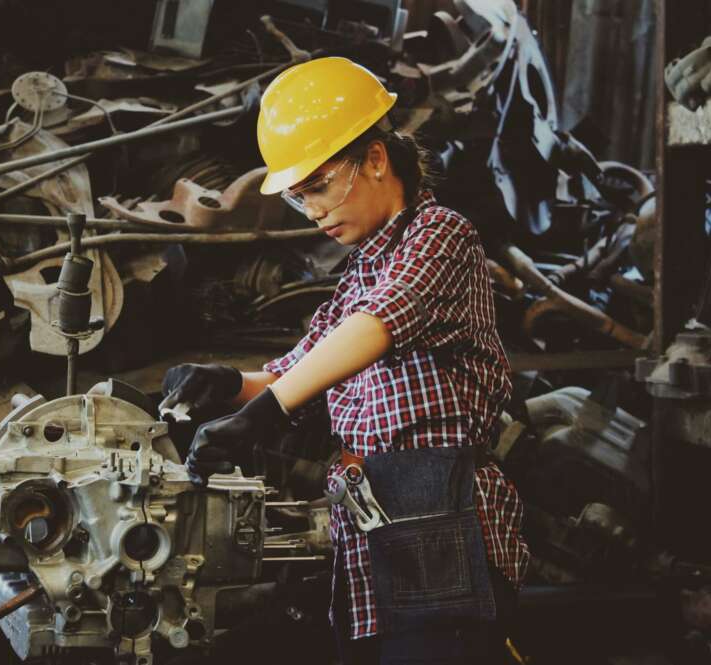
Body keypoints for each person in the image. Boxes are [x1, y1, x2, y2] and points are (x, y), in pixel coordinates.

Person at [160, 57, 529, 665]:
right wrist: (225, 385)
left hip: (440, 518)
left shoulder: (440, 235)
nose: (314, 212)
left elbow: (378, 325)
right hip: (369, 523)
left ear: (376, 159)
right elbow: (294, 371)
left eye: (321, 185)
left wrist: (268, 412)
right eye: (301, 197)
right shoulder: (359, 274)